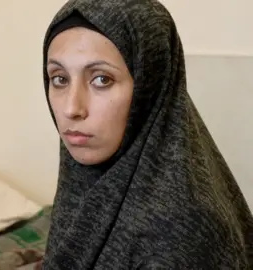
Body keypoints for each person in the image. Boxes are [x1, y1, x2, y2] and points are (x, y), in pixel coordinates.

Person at [41, 0, 253, 269]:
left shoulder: (180, 233)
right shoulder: (90, 175)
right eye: (59, 78)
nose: (72, 108)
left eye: (101, 79)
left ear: (149, 87)